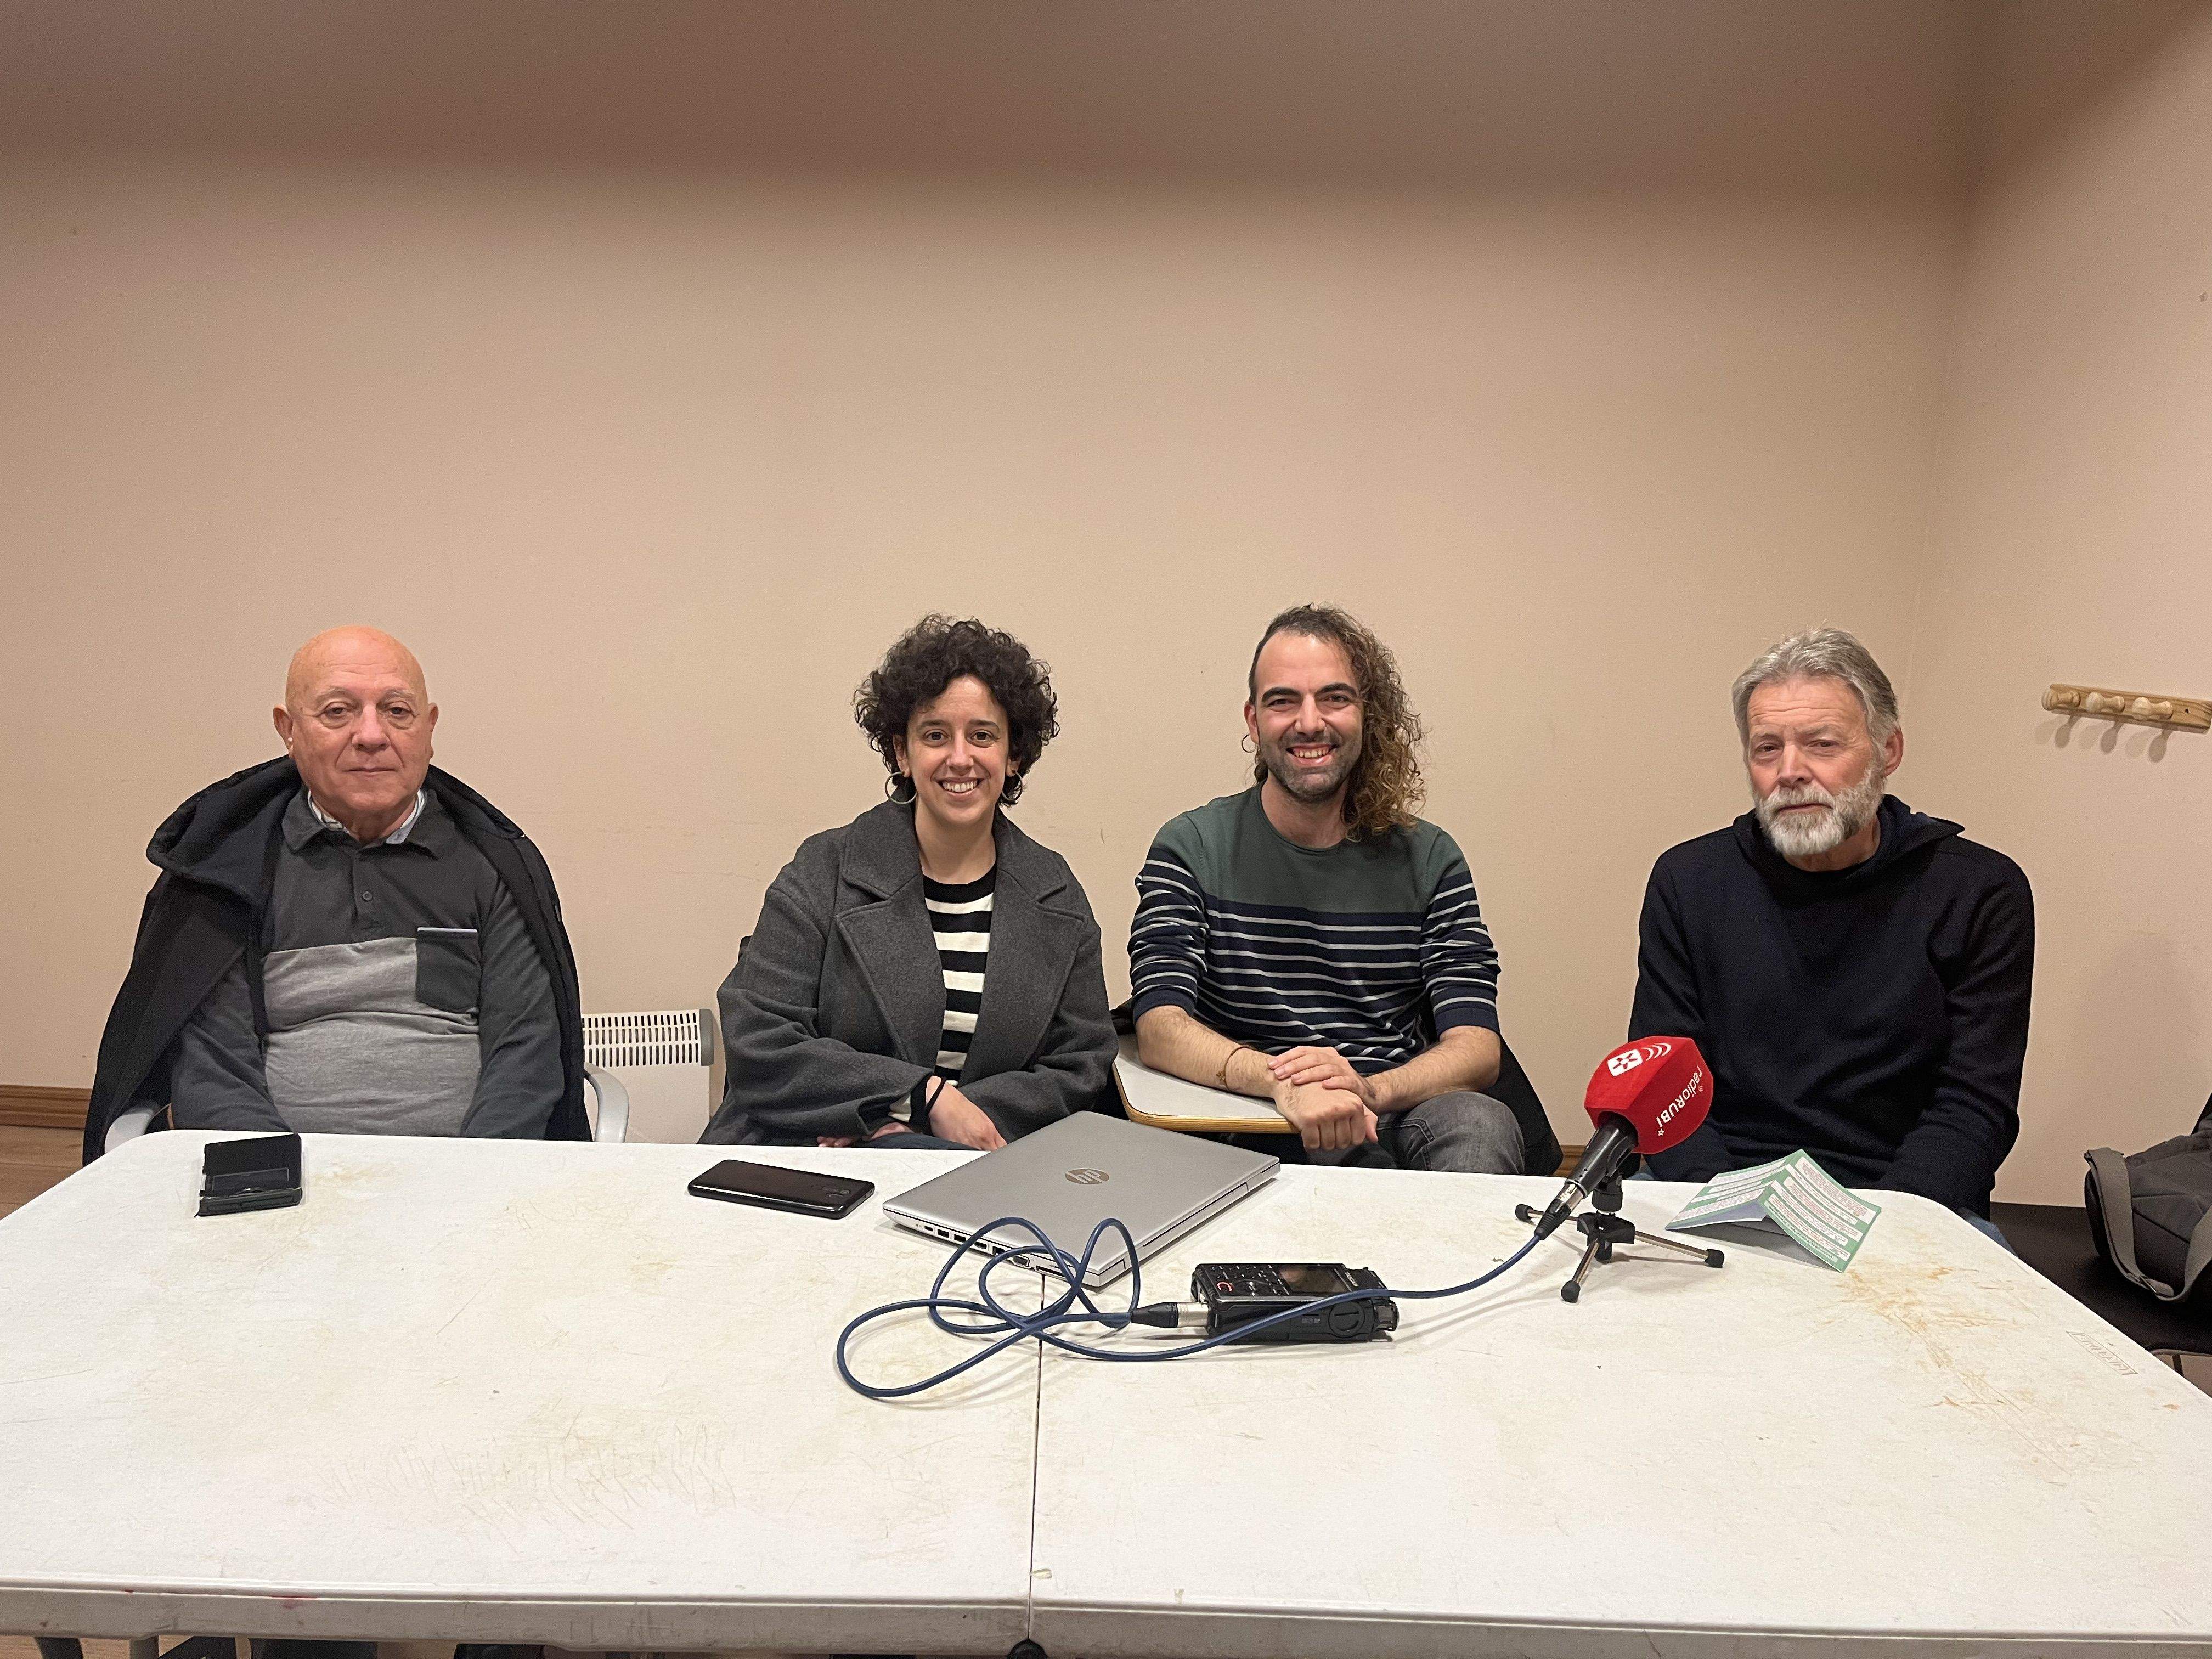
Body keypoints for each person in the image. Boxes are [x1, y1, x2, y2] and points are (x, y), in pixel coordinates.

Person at [86, 627, 589, 1159]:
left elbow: (525, 1057)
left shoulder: (493, 865)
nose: (371, 735)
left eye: (397, 711)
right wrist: (282, 1190)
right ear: (289, 729)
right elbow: (215, 1073)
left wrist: (465, 1185)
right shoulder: (230, 871)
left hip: (462, 1185)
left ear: (430, 728)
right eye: (338, 712)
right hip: (282, 1192)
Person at [1628, 626, 2034, 1225]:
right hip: (1715, 1187)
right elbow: (1663, 1078)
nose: (1790, 771)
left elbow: (1975, 1106)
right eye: (1767, 749)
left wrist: (1882, 1226)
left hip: (1904, 1201)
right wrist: (1726, 1210)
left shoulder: (1979, 892)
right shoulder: (1689, 880)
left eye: (1821, 744)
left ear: (1888, 751)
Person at [1128, 603, 1528, 1172]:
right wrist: (1283, 1083)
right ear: (1252, 720)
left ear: (1365, 714)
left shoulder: (1431, 859)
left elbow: (1477, 1047)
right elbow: (1160, 1028)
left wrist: (1366, 1090)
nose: (1309, 722)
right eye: (1283, 700)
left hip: (1389, 1105)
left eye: (1334, 698)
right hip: (1241, 1113)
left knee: (1482, 1123)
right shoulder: (1191, 847)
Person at [706, 615, 1116, 1150]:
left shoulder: (1057, 894)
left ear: (1014, 755)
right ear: (902, 752)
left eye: (983, 735)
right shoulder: (824, 870)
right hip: (813, 1165)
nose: (960, 757)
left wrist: (933, 1121)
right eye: (935, 735)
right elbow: (759, 1039)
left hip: (981, 1169)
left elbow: (1081, 1066)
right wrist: (920, 1097)